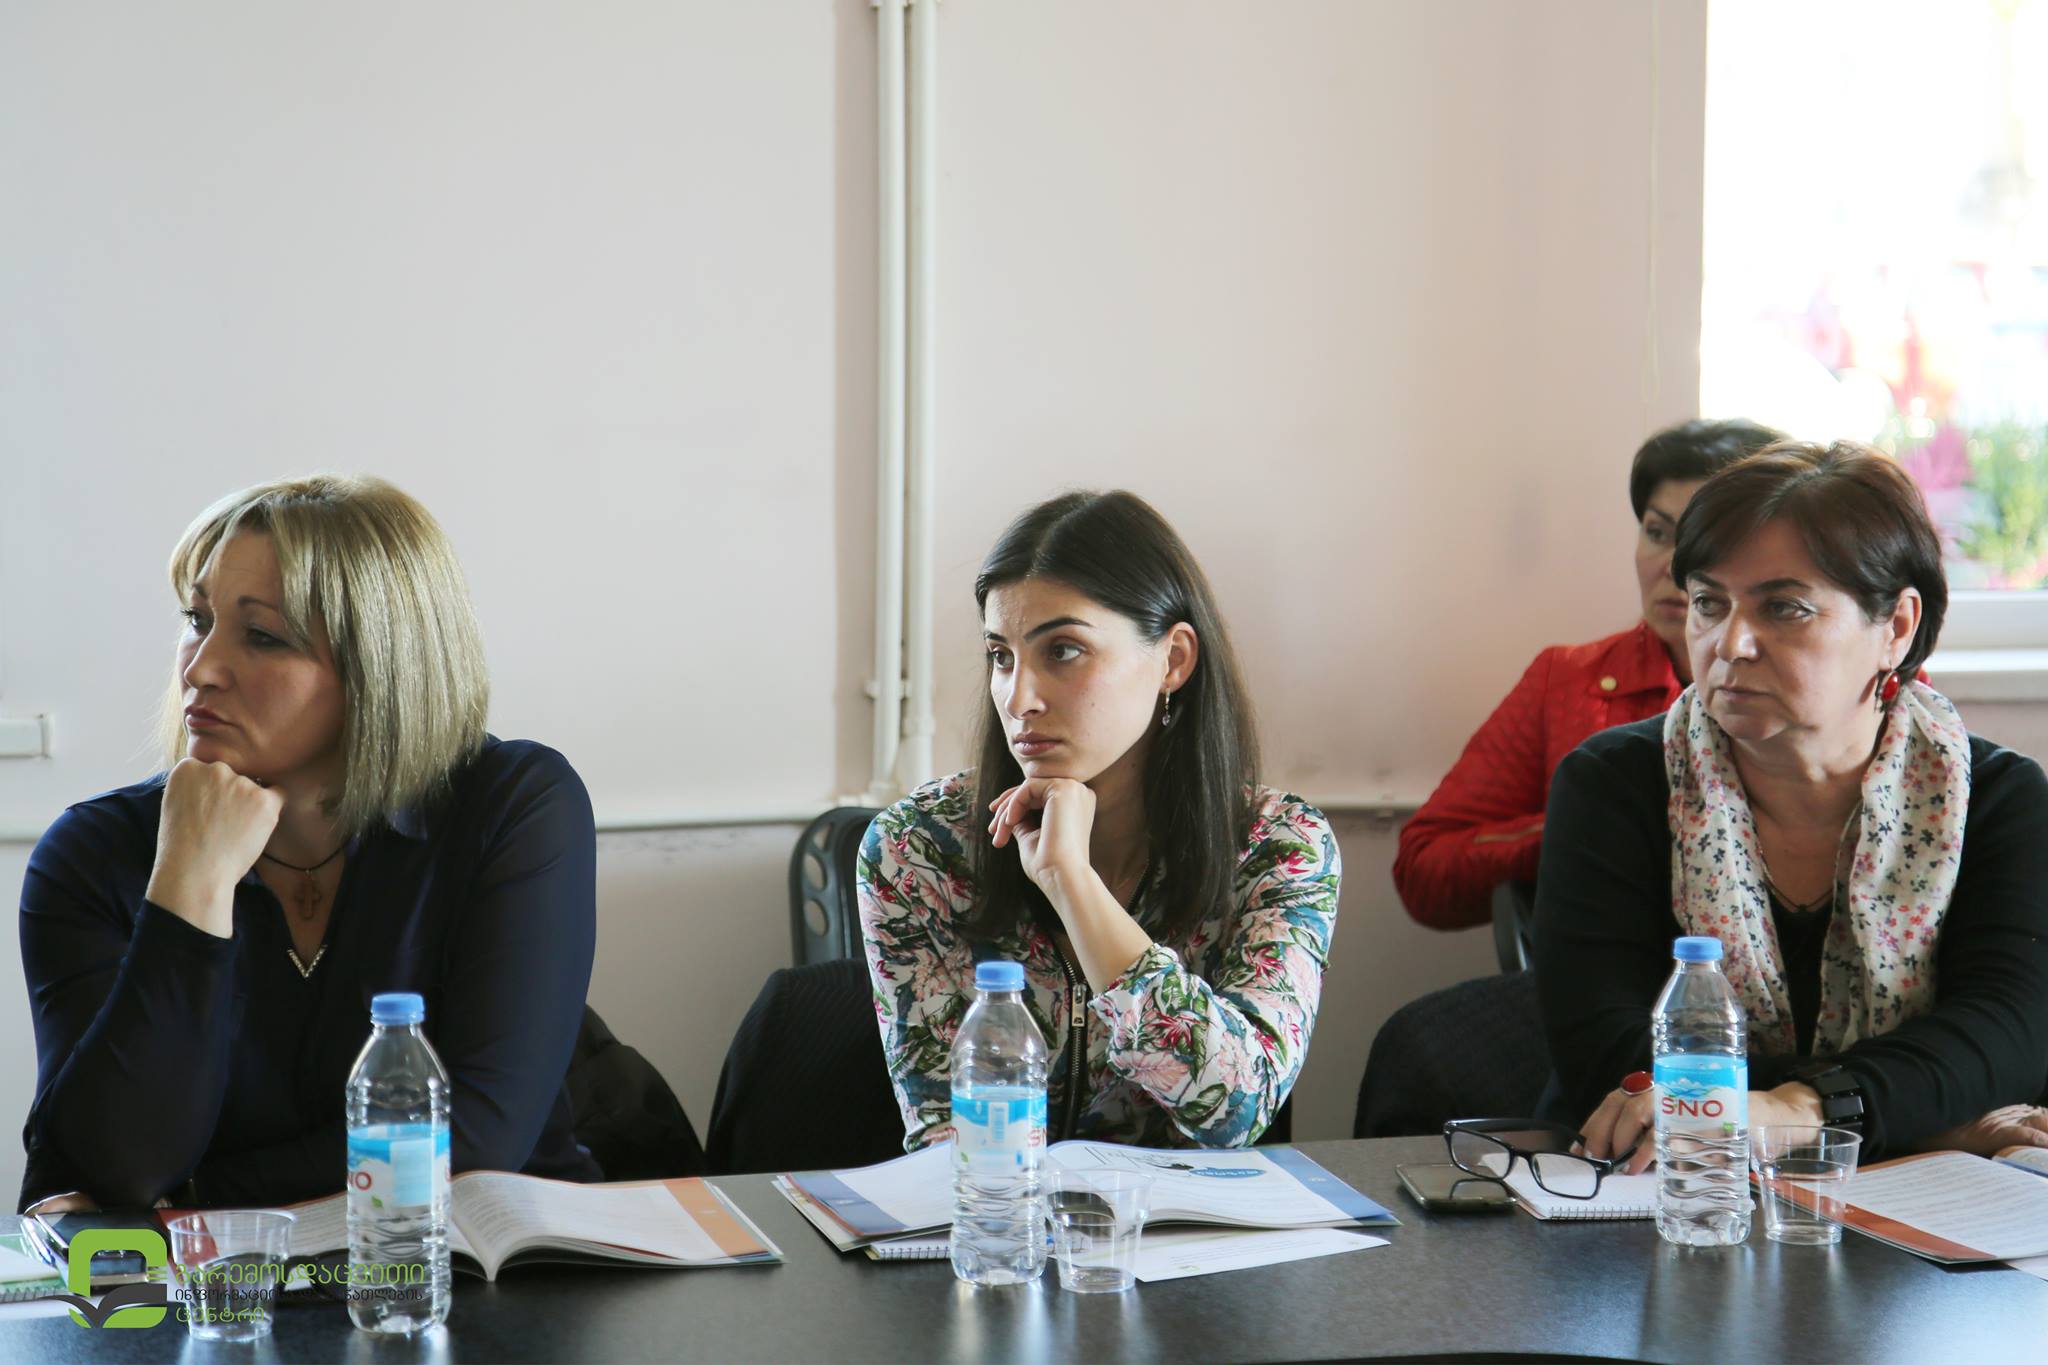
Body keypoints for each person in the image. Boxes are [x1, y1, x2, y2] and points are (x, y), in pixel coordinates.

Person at [18, 475, 601, 1212]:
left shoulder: (516, 804)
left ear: (380, 667)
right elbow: (110, 1167)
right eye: (198, 620)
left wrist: (195, 1195)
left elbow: (475, 1135)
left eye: (262, 636)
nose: (199, 669)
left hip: (484, 1260)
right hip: (216, 1280)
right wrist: (190, 883)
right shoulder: (92, 853)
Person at [1536, 442, 2048, 1166]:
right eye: (1709, 603)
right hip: (1657, 1190)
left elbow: (2009, 1033)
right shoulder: (1614, 783)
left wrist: (1802, 1110)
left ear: (1897, 627)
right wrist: (1908, 1113)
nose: (1731, 643)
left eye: (1784, 608)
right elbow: (1610, 1053)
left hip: (1918, 1208)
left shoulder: (1998, 798)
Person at [858, 491, 1340, 1151]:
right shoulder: (919, 847)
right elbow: (949, 1137)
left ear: (1173, 660)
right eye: (1001, 655)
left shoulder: (1278, 846)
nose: (1019, 698)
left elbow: (1238, 1108)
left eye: (1063, 650)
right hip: (1000, 1211)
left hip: (1185, 1219)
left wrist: (1073, 885)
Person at [1395, 419, 1783, 931]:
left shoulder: (1812, 692)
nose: (1672, 566)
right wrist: (1577, 826)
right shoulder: (1569, 681)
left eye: (1704, 542)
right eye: (1657, 533)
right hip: (1607, 966)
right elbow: (1425, 873)